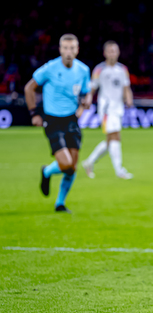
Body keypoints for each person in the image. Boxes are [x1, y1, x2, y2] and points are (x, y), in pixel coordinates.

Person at [24, 34, 92, 213]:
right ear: (60, 49)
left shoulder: (83, 70)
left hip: (72, 120)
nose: (68, 52)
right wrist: (34, 113)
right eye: (65, 48)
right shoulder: (50, 68)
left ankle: (60, 203)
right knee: (66, 165)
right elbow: (29, 87)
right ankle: (46, 171)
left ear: (77, 50)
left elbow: (87, 92)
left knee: (72, 168)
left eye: (72, 48)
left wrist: (86, 100)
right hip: (53, 121)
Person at [82, 41, 133, 180]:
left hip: (118, 108)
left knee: (112, 140)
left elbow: (126, 87)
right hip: (106, 109)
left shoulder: (122, 69)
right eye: (110, 51)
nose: (112, 53)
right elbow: (92, 87)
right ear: (105, 53)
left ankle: (89, 162)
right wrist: (88, 98)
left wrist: (129, 99)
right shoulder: (99, 69)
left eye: (114, 51)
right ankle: (119, 170)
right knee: (115, 137)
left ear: (118, 53)